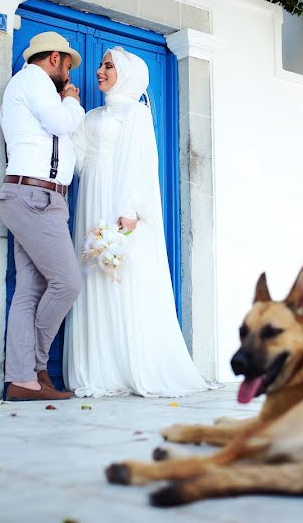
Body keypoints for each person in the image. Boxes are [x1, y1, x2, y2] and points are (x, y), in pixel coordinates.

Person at [65, 47, 212, 398]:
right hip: (90, 197)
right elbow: (79, 161)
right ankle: (99, 371)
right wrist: (69, 114)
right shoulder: (91, 114)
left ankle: (131, 364)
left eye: (108, 66)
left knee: (121, 276)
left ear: (127, 73)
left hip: (119, 202)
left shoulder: (136, 113)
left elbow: (141, 163)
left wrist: (130, 208)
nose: (100, 71)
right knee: (92, 274)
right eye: (100, 66)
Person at [0, 31, 85, 401]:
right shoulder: (33, 80)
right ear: (54, 59)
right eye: (67, 66)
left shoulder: (35, 88)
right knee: (67, 283)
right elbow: (61, 124)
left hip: (37, 197)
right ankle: (35, 364)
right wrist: (71, 102)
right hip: (34, 197)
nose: (69, 74)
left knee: (30, 291)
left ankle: (21, 380)